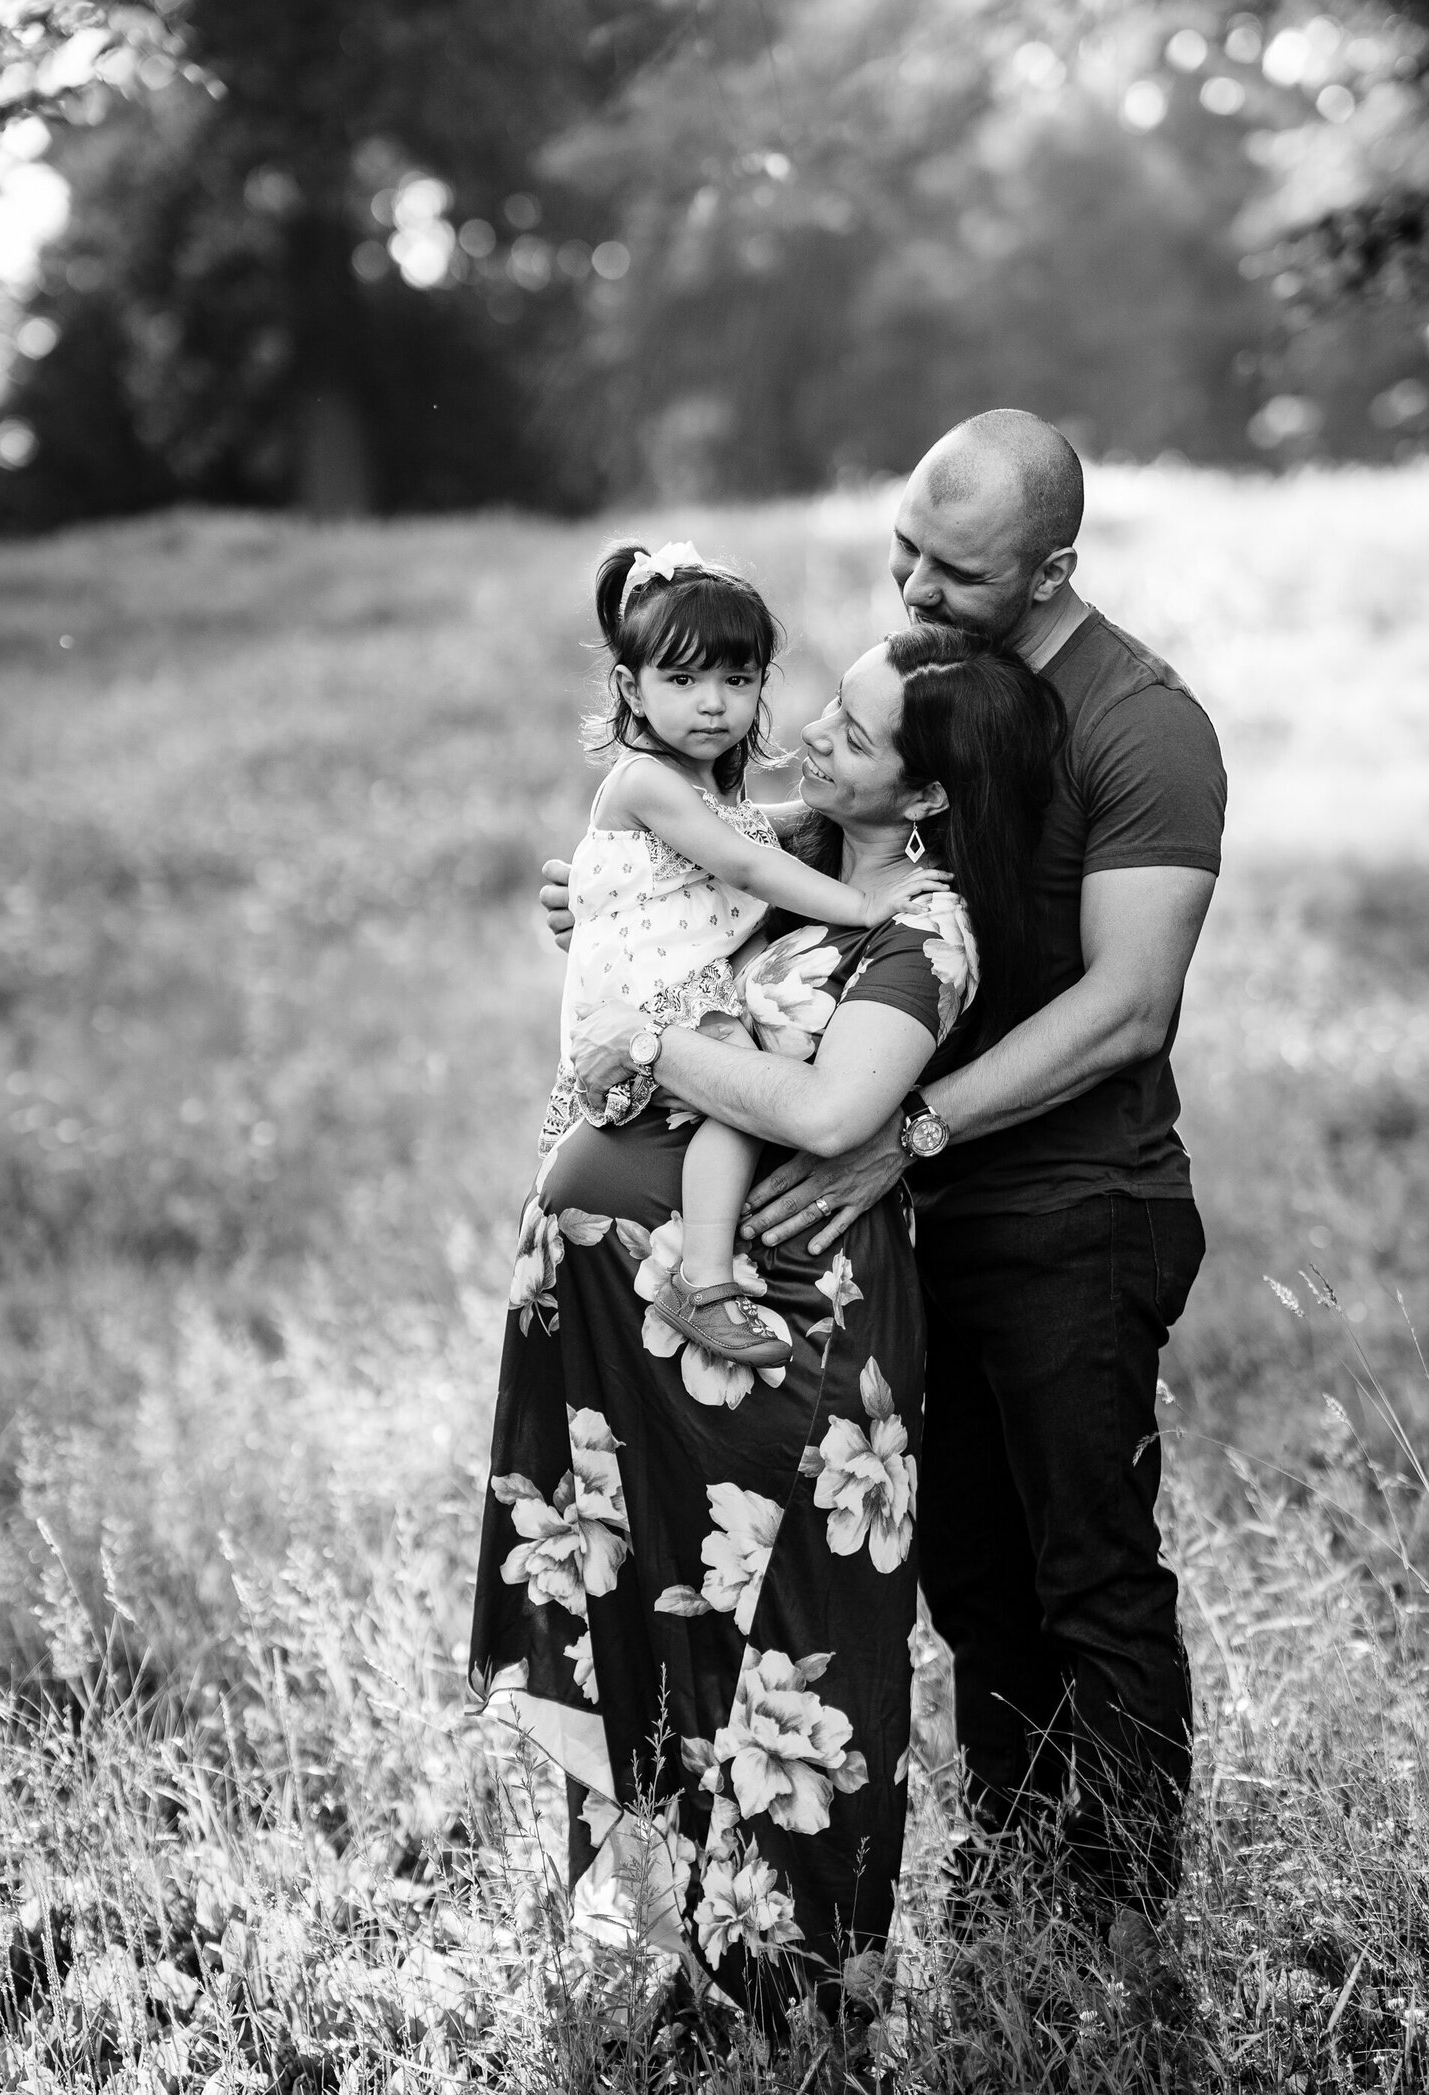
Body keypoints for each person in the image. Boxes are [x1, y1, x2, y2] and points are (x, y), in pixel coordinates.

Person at [541, 413, 1226, 1981]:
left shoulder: (1143, 727)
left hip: (1072, 1202)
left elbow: (1129, 1003)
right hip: (926, 1218)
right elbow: (777, 855)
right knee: (975, 1580)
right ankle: (1016, 1880)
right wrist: (621, 902)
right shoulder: (903, 698)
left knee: (1086, 1564)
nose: (908, 580)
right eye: (901, 543)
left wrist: (901, 1125)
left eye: (950, 566)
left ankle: (1118, 1915)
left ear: (1051, 568)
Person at [473, 624, 1062, 2024]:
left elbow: (826, 1114)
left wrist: (638, 1032)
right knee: (684, 1631)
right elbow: (644, 878)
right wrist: (596, 911)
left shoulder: (922, 929)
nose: (802, 739)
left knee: (803, 1663)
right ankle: (685, 1969)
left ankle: (793, 2007)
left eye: (851, 737)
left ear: (921, 795)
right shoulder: (793, 848)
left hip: (793, 1347)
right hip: (647, 1346)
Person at [548, 537, 944, 1368]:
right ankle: (704, 1278)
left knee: (737, 1100)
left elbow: (746, 852)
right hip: (654, 999)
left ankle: (705, 1267)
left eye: (737, 680)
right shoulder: (650, 780)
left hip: (666, 992)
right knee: (738, 1100)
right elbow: (747, 864)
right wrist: (863, 904)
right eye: (683, 681)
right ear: (630, 687)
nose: (713, 705)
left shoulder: (713, 790)